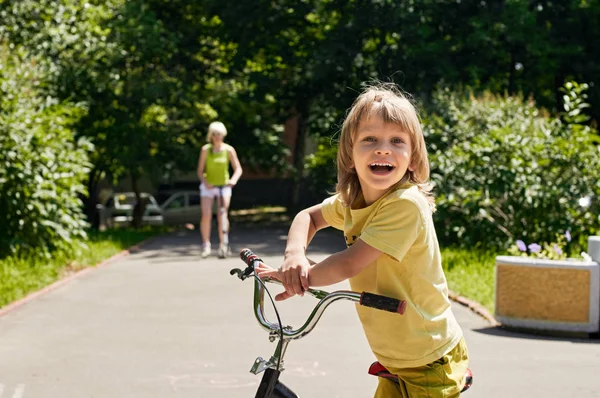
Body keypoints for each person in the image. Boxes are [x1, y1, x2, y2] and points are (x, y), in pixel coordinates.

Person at [257, 84, 469, 397]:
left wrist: (298, 278)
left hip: (428, 358)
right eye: (370, 139)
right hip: (395, 356)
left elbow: (350, 262)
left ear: (412, 158)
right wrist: (294, 257)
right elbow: (309, 217)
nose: (383, 149)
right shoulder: (353, 200)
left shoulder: (405, 204)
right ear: (350, 154)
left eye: (397, 141)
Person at [196, 121, 243, 258]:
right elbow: (200, 171)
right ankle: (206, 245)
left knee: (222, 214)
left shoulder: (229, 150)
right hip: (208, 187)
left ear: (223, 135)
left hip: (224, 187)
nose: (217, 137)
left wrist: (233, 181)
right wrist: (206, 182)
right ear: (211, 135)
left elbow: (238, 169)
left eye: (219, 134)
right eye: (214, 134)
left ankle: (224, 244)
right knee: (206, 215)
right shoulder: (206, 150)